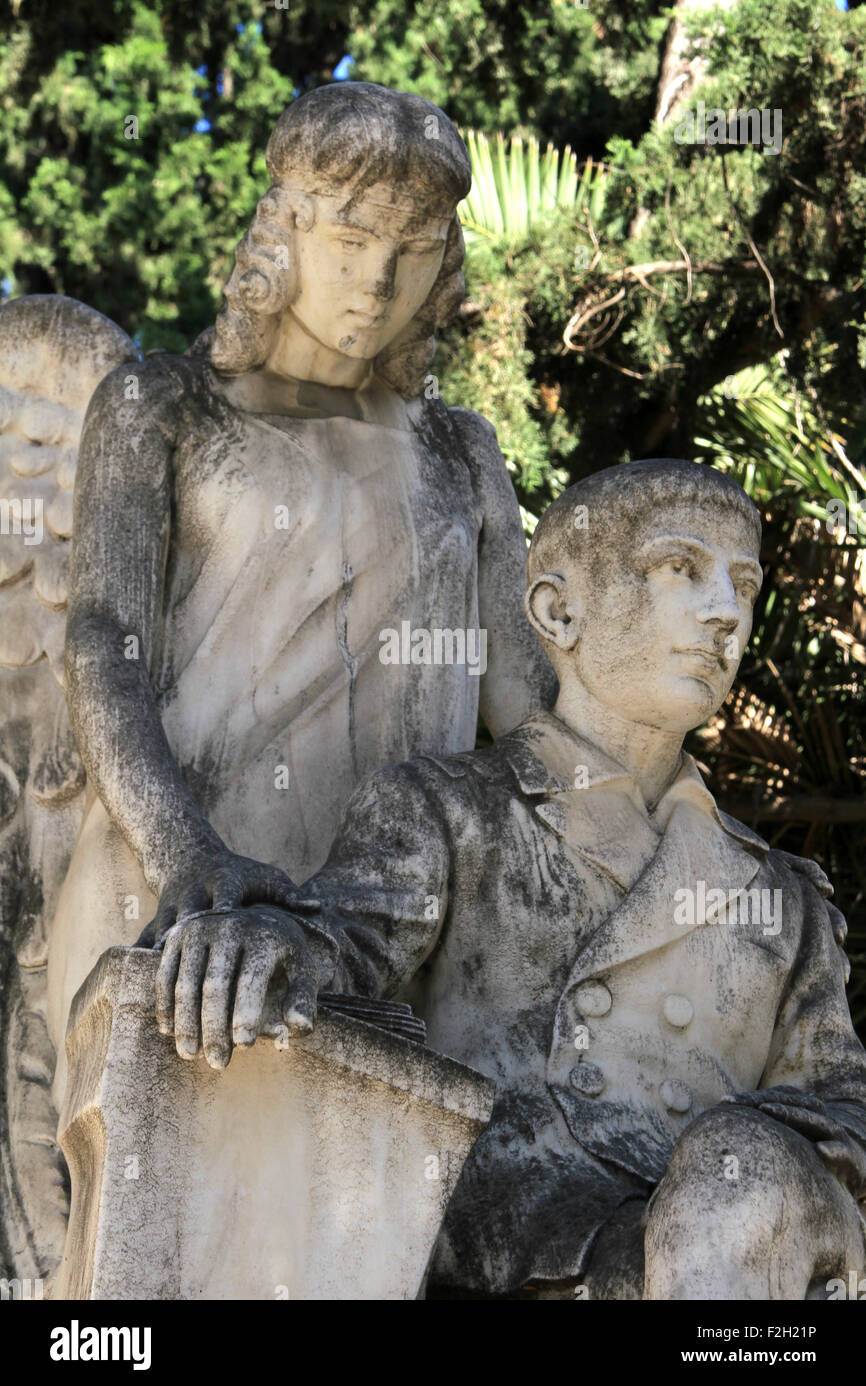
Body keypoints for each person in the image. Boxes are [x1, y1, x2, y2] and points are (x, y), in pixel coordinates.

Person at [156, 459, 866, 1299]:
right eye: (683, 570)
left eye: (743, 586)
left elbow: (842, 1115)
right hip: (530, 1251)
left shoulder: (783, 898)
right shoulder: (451, 809)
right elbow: (334, 951)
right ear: (559, 611)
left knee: (739, 1174)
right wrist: (264, 939)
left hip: (728, 1241)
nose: (725, 614)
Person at [46, 83, 554, 1098]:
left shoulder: (460, 454)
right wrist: (185, 853)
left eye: (412, 248)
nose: (377, 278)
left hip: (385, 945)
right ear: (282, 229)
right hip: (179, 907)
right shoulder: (164, 405)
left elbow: (534, 718)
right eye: (351, 235)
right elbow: (103, 644)